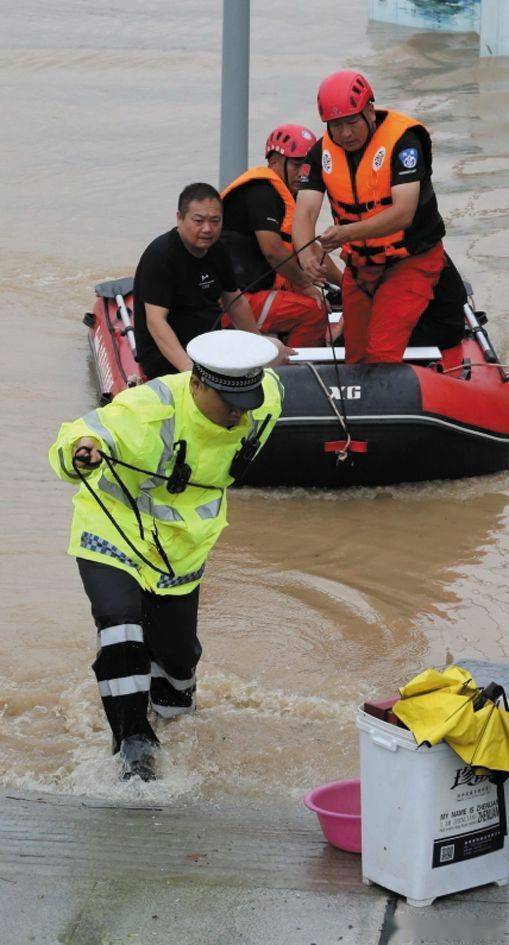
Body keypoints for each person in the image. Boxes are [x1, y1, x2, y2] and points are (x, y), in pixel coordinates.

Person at [49, 331, 283, 782]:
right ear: (196, 382)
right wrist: (80, 453)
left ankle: (175, 721)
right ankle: (132, 741)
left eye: (246, 402)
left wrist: (277, 350)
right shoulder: (147, 410)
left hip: (181, 547)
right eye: (228, 402)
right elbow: (79, 434)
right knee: (119, 624)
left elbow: (274, 380)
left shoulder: (264, 401)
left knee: (177, 658)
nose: (238, 413)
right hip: (114, 531)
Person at [292, 70, 466, 363]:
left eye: (352, 122)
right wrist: (306, 255)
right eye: (336, 125)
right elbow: (305, 213)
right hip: (360, 268)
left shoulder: (404, 143)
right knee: (356, 356)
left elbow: (403, 213)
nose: (345, 134)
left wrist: (345, 233)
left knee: (381, 354)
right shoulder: (321, 153)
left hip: (411, 262)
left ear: (370, 111)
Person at [133, 182, 292, 379]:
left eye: (215, 221)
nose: (207, 229)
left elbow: (235, 302)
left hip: (209, 344)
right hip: (168, 356)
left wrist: (258, 344)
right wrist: (188, 369)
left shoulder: (218, 249)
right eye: (198, 221)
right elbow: (156, 322)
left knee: (276, 350)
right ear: (179, 218)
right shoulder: (160, 255)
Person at [221, 124, 343, 346]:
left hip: (252, 293)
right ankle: (293, 364)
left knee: (317, 299)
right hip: (235, 301)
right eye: (296, 165)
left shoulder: (284, 197)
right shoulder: (261, 192)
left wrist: (346, 284)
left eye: (307, 166)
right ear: (275, 161)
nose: (303, 173)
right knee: (314, 311)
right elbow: (273, 251)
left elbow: (310, 249)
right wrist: (306, 284)